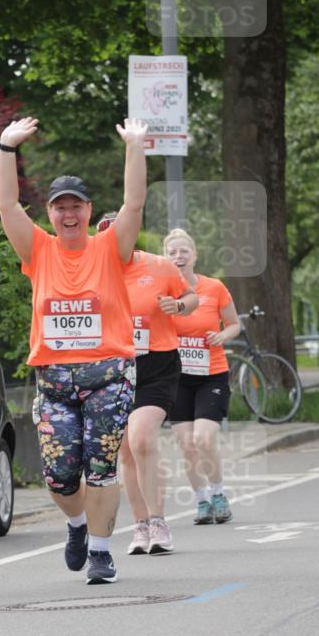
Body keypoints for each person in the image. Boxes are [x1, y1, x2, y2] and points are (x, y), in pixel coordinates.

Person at [0, 116, 147, 583]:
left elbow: (134, 202)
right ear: (50, 213)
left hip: (108, 377)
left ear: (88, 210)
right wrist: (5, 146)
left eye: (76, 206)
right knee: (60, 475)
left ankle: (101, 552)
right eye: (60, 206)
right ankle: (78, 525)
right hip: (56, 383)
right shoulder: (37, 250)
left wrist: (135, 147)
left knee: (101, 467)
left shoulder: (109, 247)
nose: (68, 214)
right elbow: (6, 204)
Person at [97, 214, 198, 556]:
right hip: (115, 367)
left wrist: (179, 305)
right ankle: (140, 526)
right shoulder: (96, 273)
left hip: (157, 364)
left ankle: (159, 521)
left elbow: (191, 298)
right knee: (125, 449)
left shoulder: (159, 267)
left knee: (141, 436)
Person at [163, 227, 241, 525]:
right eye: (172, 253)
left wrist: (222, 336)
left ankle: (219, 494)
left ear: (194, 255)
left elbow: (234, 324)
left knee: (203, 438)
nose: (178, 257)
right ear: (165, 258)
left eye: (184, 251)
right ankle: (202, 501)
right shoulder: (164, 293)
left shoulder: (214, 288)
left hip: (212, 374)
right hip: (178, 377)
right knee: (186, 443)